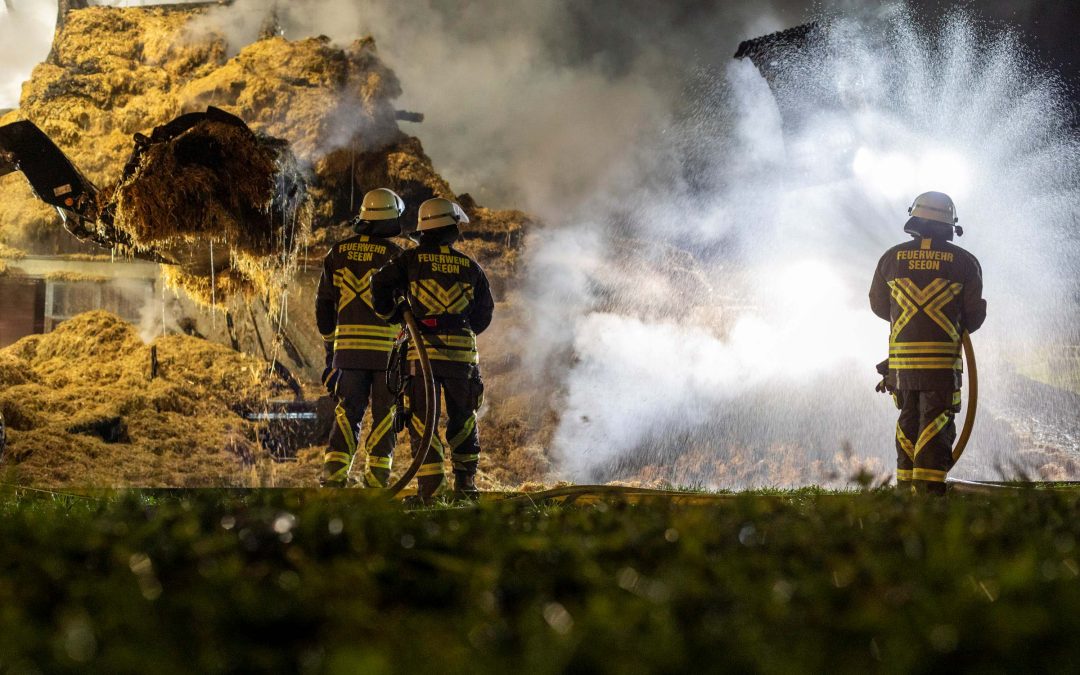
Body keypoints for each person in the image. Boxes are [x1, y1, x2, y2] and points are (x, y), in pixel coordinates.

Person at [371, 197, 494, 503]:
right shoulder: (471, 267)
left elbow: (379, 285)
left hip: (421, 354)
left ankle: (431, 494)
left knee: (422, 422)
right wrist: (461, 330)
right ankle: (466, 489)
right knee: (464, 419)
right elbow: (484, 314)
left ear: (424, 231)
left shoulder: (409, 261)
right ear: (451, 229)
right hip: (462, 358)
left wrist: (397, 315)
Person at [870, 191, 987, 495]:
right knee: (935, 426)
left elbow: (879, 306)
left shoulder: (890, 258)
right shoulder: (965, 262)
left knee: (908, 422)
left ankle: (906, 494)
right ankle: (929, 497)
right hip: (941, 366)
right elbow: (973, 317)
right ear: (950, 225)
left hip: (902, 367)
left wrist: (910, 328)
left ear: (915, 220)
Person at [315, 188, 406, 488]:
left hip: (348, 353)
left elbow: (323, 305)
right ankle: (378, 479)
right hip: (386, 355)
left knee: (347, 411)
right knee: (385, 413)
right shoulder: (397, 257)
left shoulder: (336, 253)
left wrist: (332, 347)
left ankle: (334, 475)